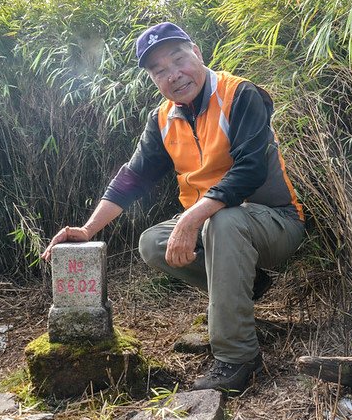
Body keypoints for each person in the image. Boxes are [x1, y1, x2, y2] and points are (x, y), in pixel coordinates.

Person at [42, 22, 304, 393]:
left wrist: (193, 218)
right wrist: (87, 230)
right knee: (153, 243)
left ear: (196, 52)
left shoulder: (240, 94)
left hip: (275, 221)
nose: (173, 75)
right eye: (159, 70)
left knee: (223, 222)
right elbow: (133, 178)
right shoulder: (163, 119)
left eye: (178, 59)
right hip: (218, 226)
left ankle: (237, 357)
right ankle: (250, 284)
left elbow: (250, 169)